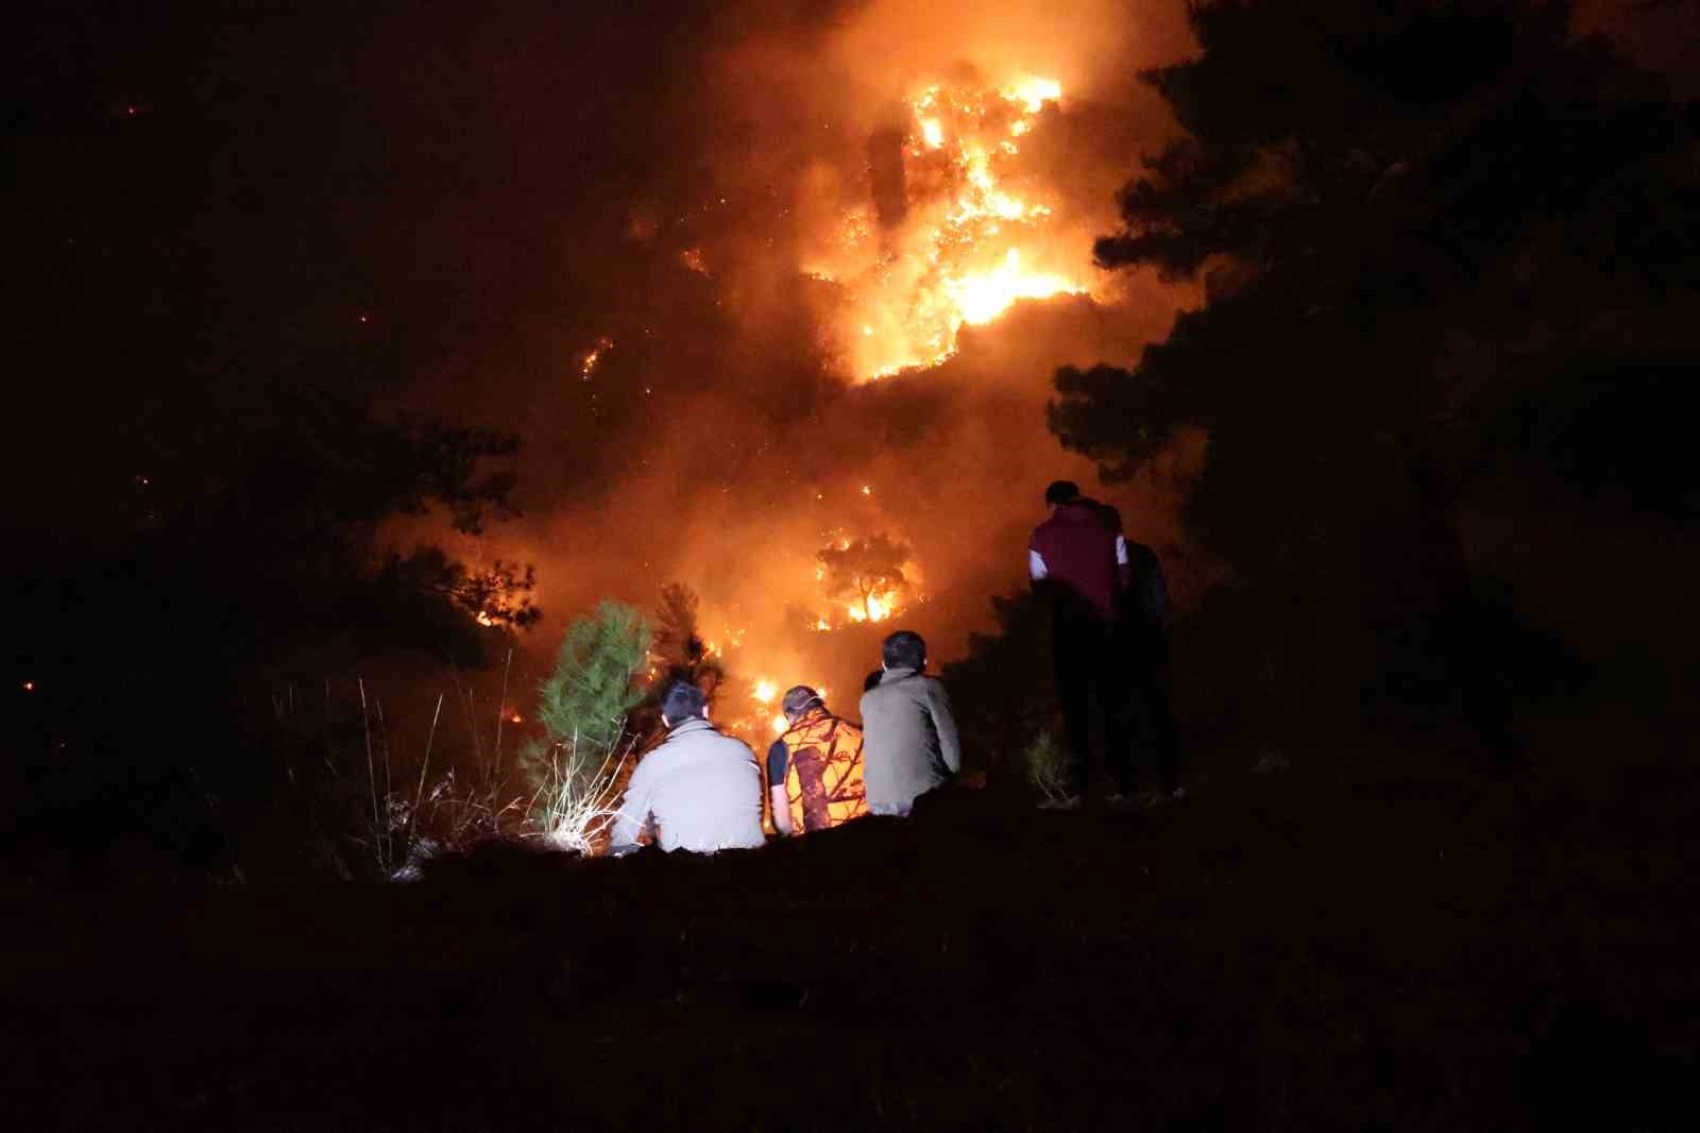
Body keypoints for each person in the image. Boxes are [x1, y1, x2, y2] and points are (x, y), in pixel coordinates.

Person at [1028, 479, 1139, 808]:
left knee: (1076, 712)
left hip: (1068, 633)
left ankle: (1084, 789)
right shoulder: (1108, 526)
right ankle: (1125, 785)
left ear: (1052, 505)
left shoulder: (1041, 535)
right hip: (1108, 628)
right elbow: (1124, 575)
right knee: (1114, 705)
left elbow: (1039, 587)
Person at [609, 680, 765, 853]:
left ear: (665, 720)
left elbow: (623, 837)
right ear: (705, 711)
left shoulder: (652, 763)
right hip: (752, 869)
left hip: (688, 872)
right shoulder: (744, 752)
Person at [859, 630, 961, 816]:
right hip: (923, 798)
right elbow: (953, 757)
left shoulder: (867, 699)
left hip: (878, 802)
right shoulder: (929, 687)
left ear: (884, 665)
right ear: (924, 661)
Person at [766, 686, 868, 836]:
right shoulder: (859, 732)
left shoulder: (782, 747)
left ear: (789, 715)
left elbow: (782, 822)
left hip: (816, 848)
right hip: (868, 837)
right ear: (820, 706)